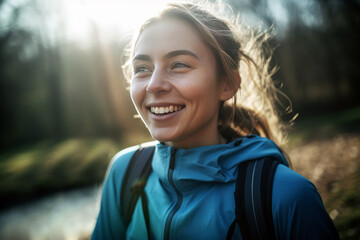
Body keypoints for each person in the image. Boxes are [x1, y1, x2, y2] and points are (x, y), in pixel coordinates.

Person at [91, 2, 339, 239]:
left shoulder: (287, 196)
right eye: (142, 68)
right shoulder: (125, 173)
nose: (154, 84)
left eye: (178, 65)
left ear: (227, 84)